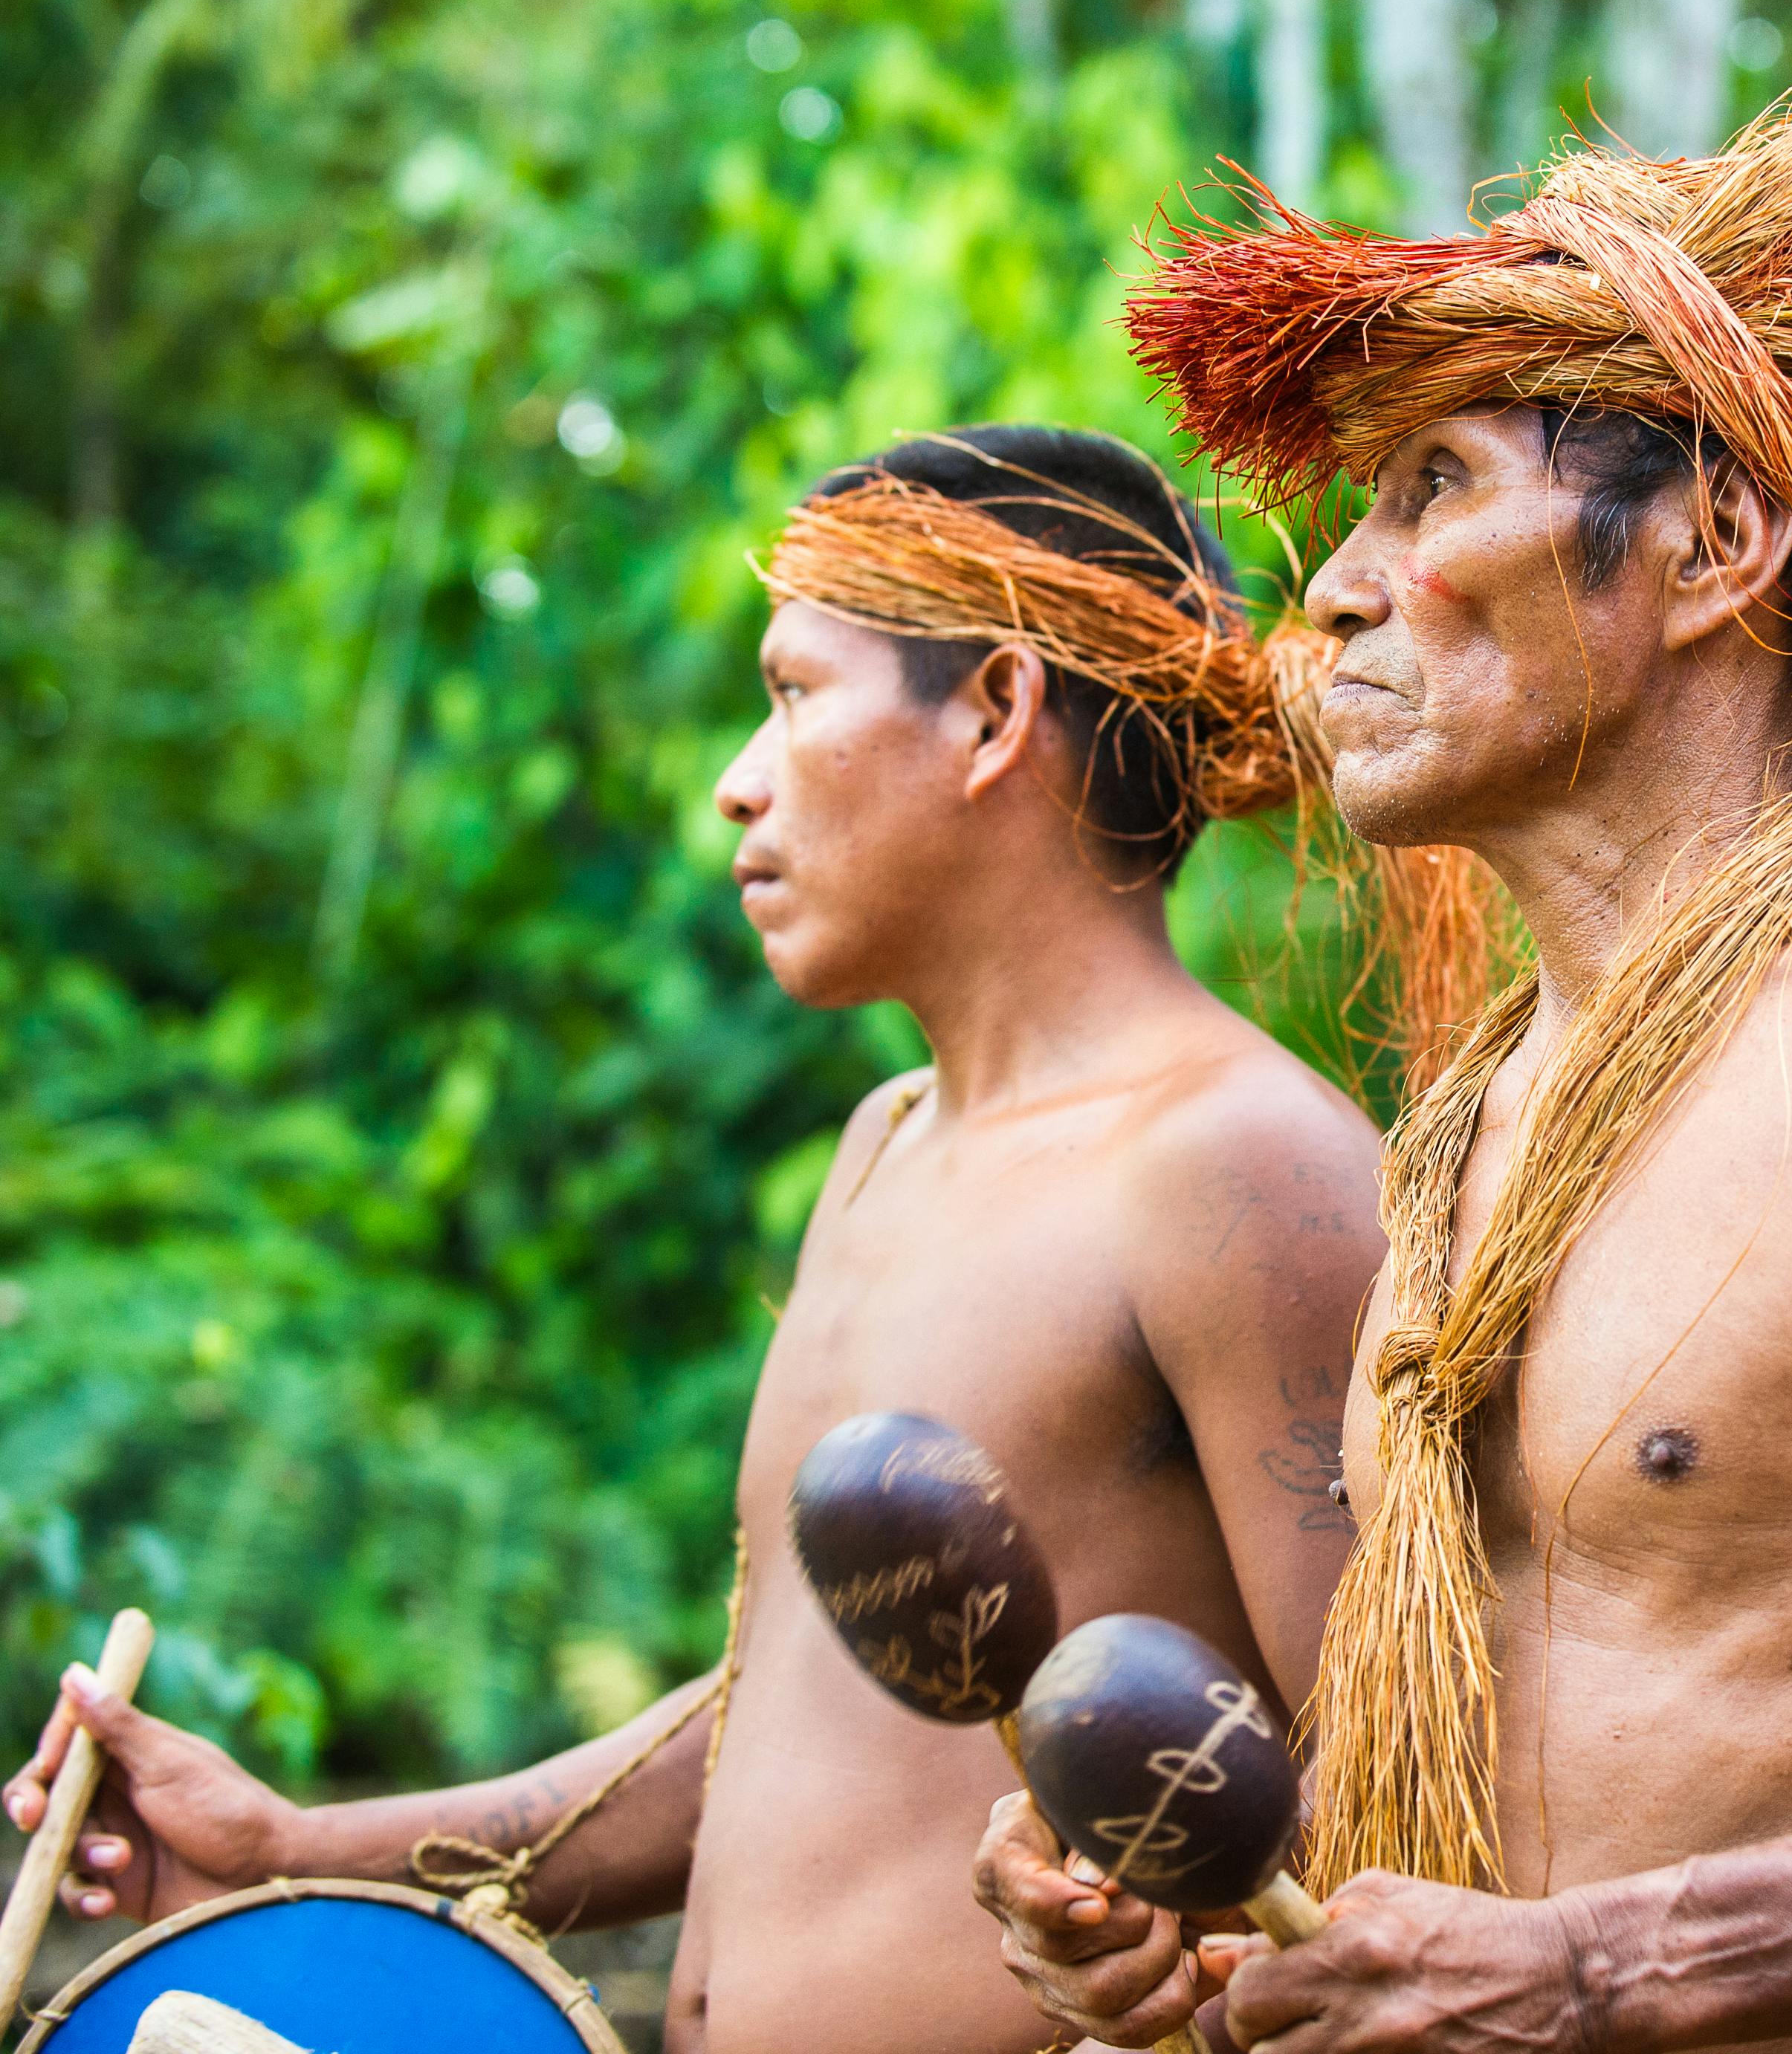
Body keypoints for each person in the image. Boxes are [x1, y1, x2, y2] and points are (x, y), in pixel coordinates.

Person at [973, 57, 1792, 2054]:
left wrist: (1590, 1976)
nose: (1337, 587)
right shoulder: (1477, 1116)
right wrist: (1219, 1919)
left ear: (1715, 543)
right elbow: (1537, 1795)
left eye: (1442, 489)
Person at [4, 426, 1391, 2054]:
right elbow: (792, 1729)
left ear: (997, 714)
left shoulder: (1242, 1169)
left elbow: (1408, 1793)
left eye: (795, 692)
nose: (737, 776)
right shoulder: (887, 1144)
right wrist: (300, 1854)